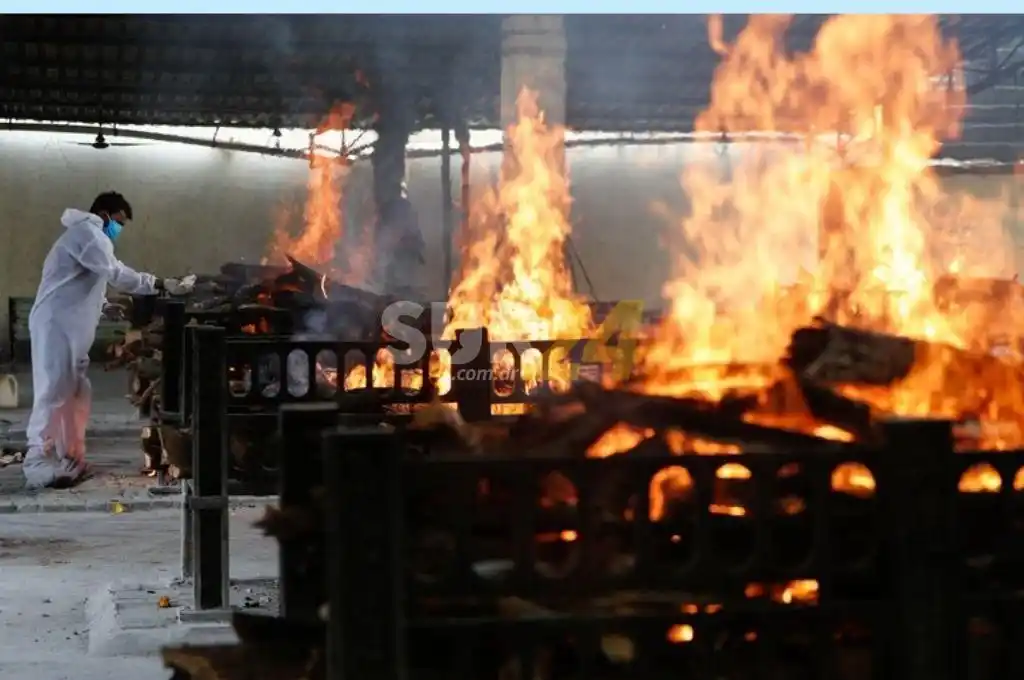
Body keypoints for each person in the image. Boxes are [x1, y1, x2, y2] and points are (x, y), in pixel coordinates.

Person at [23, 191, 195, 489]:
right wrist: (158, 283)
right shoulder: (89, 233)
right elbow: (114, 272)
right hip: (57, 325)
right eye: (119, 222)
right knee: (53, 391)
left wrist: (104, 306)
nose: (119, 230)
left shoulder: (87, 238)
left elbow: (84, 279)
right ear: (105, 214)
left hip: (68, 327)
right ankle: (37, 461)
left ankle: (71, 459)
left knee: (76, 391)